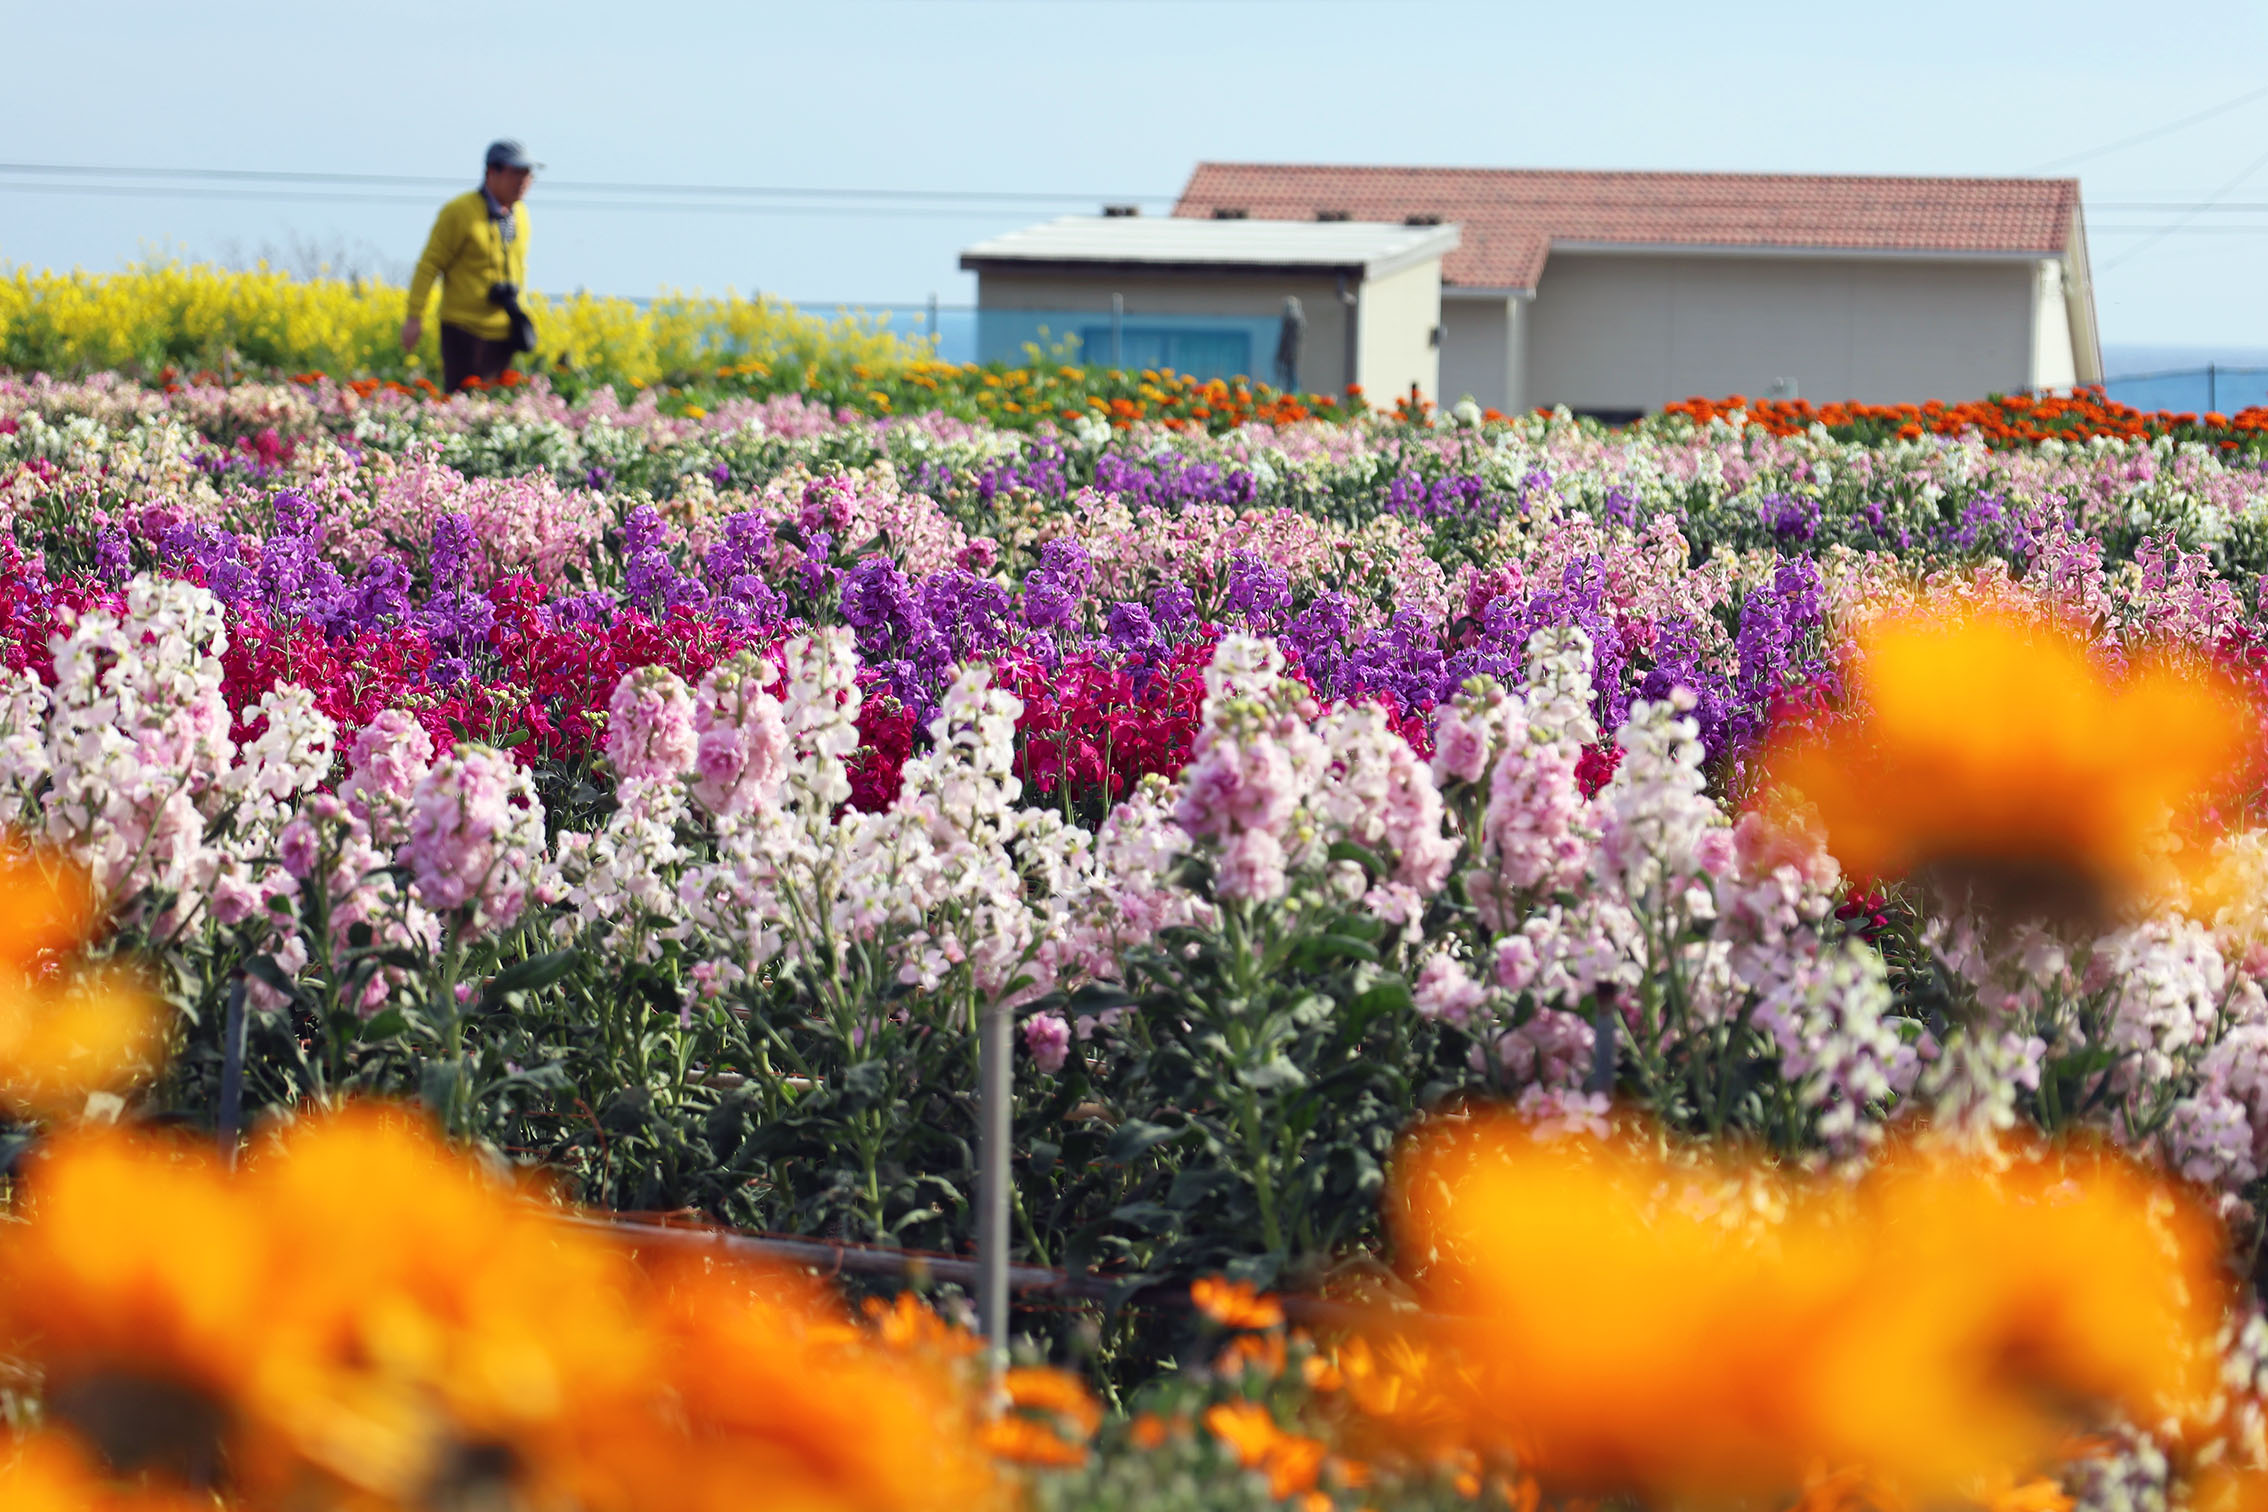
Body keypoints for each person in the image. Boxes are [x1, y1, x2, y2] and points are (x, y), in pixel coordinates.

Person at [402, 140, 540, 393]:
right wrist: (414, 317)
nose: (523, 181)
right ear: (491, 172)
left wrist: (522, 314)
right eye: (516, 173)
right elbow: (429, 265)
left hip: (505, 330)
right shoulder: (459, 212)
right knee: (461, 404)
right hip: (464, 331)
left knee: (498, 409)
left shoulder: (521, 215)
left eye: (528, 174)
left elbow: (521, 270)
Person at [1274, 296, 1306, 393]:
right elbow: (1283, 340)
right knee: (1286, 378)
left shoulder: (1295, 321)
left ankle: (1294, 394)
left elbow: (1291, 341)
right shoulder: (1288, 321)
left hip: (1292, 355)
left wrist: (1287, 354)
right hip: (1287, 355)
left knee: (1293, 379)